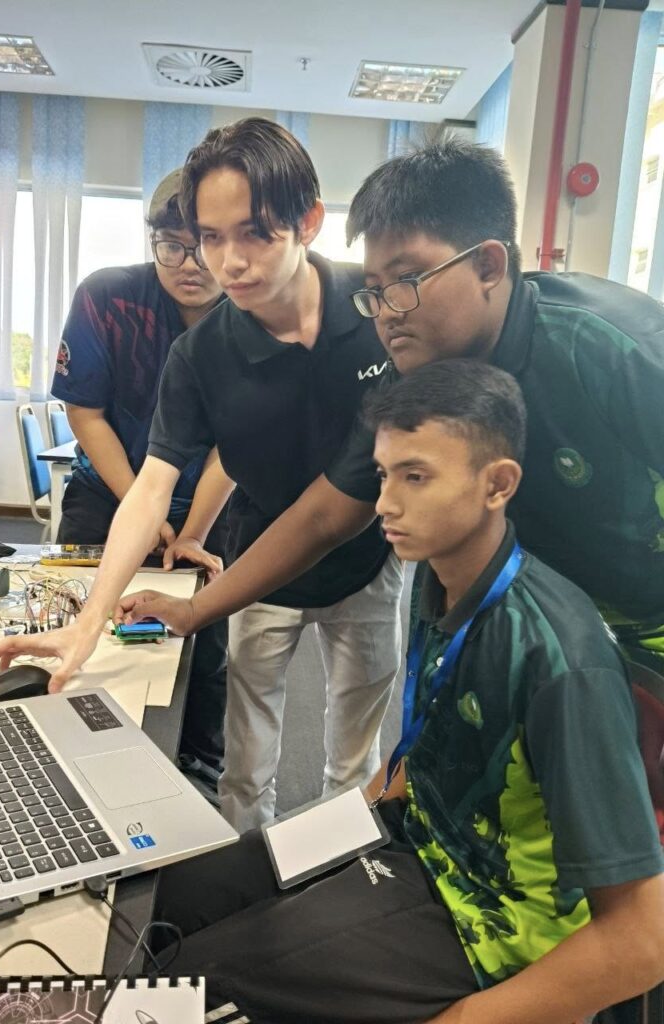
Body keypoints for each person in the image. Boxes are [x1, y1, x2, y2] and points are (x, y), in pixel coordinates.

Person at [143, 361, 664, 1024]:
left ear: (498, 484)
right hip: (411, 829)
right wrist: (337, 826)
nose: (385, 503)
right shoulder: (436, 577)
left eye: (415, 477)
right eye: (384, 475)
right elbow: (427, 749)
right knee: (170, 898)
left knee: (193, 980)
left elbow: (642, 941)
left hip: (486, 915)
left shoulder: (559, 658)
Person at [0, 118, 404, 832]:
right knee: (246, 764)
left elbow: (334, 510)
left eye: (255, 233)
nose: (229, 263)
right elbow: (152, 485)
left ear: (308, 222)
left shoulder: (378, 309)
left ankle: (342, 867)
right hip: (262, 568)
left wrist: (195, 603)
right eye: (210, 238)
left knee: (352, 760)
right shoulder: (202, 354)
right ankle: (248, 884)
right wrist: (87, 623)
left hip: (367, 564)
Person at [115, 139, 664, 675]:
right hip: (534, 633)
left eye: (407, 280)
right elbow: (326, 514)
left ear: (488, 265)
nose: (388, 313)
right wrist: (191, 611)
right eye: (375, 290)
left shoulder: (611, 348)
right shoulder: (418, 375)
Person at [48, 168, 230, 795]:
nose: (190, 264)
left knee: (200, 638)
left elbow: (233, 447)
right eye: (171, 246)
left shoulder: (249, 318)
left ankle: (200, 766)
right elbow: (85, 412)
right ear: (151, 239)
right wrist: (141, 508)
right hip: (109, 491)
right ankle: (69, 754)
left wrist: (191, 530)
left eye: (204, 245)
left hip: (209, 499)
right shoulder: (108, 296)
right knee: (85, 618)